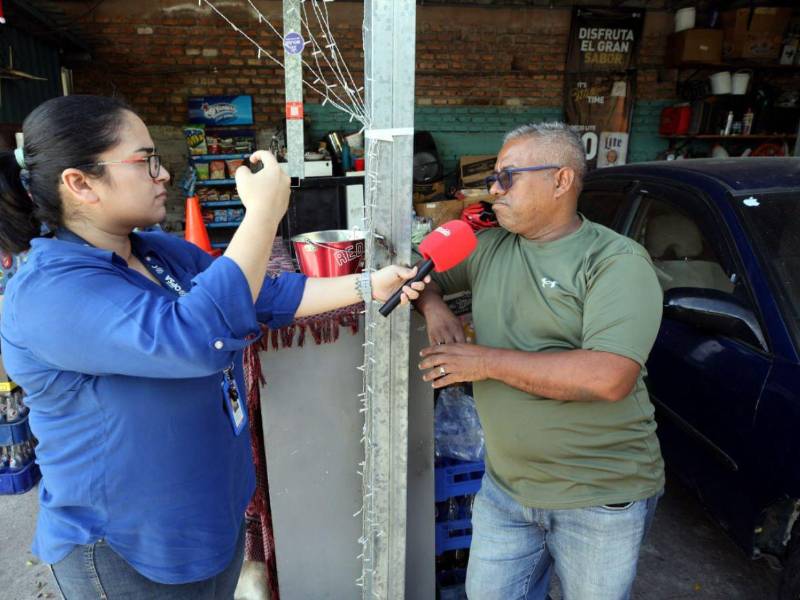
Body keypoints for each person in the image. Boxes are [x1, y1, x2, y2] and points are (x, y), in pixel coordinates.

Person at [0, 95, 427, 599]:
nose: (163, 174)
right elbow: (194, 337)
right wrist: (263, 214)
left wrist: (368, 285)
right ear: (80, 183)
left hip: (207, 523)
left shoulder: (158, 252)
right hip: (129, 548)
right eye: (145, 160)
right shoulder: (50, 291)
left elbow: (260, 294)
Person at [415, 122, 664, 600]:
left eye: (507, 177)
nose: (493, 188)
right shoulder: (487, 247)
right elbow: (415, 273)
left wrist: (484, 363)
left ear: (561, 181)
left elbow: (608, 376)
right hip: (506, 490)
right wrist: (435, 306)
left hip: (597, 499)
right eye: (493, 177)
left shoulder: (614, 261)